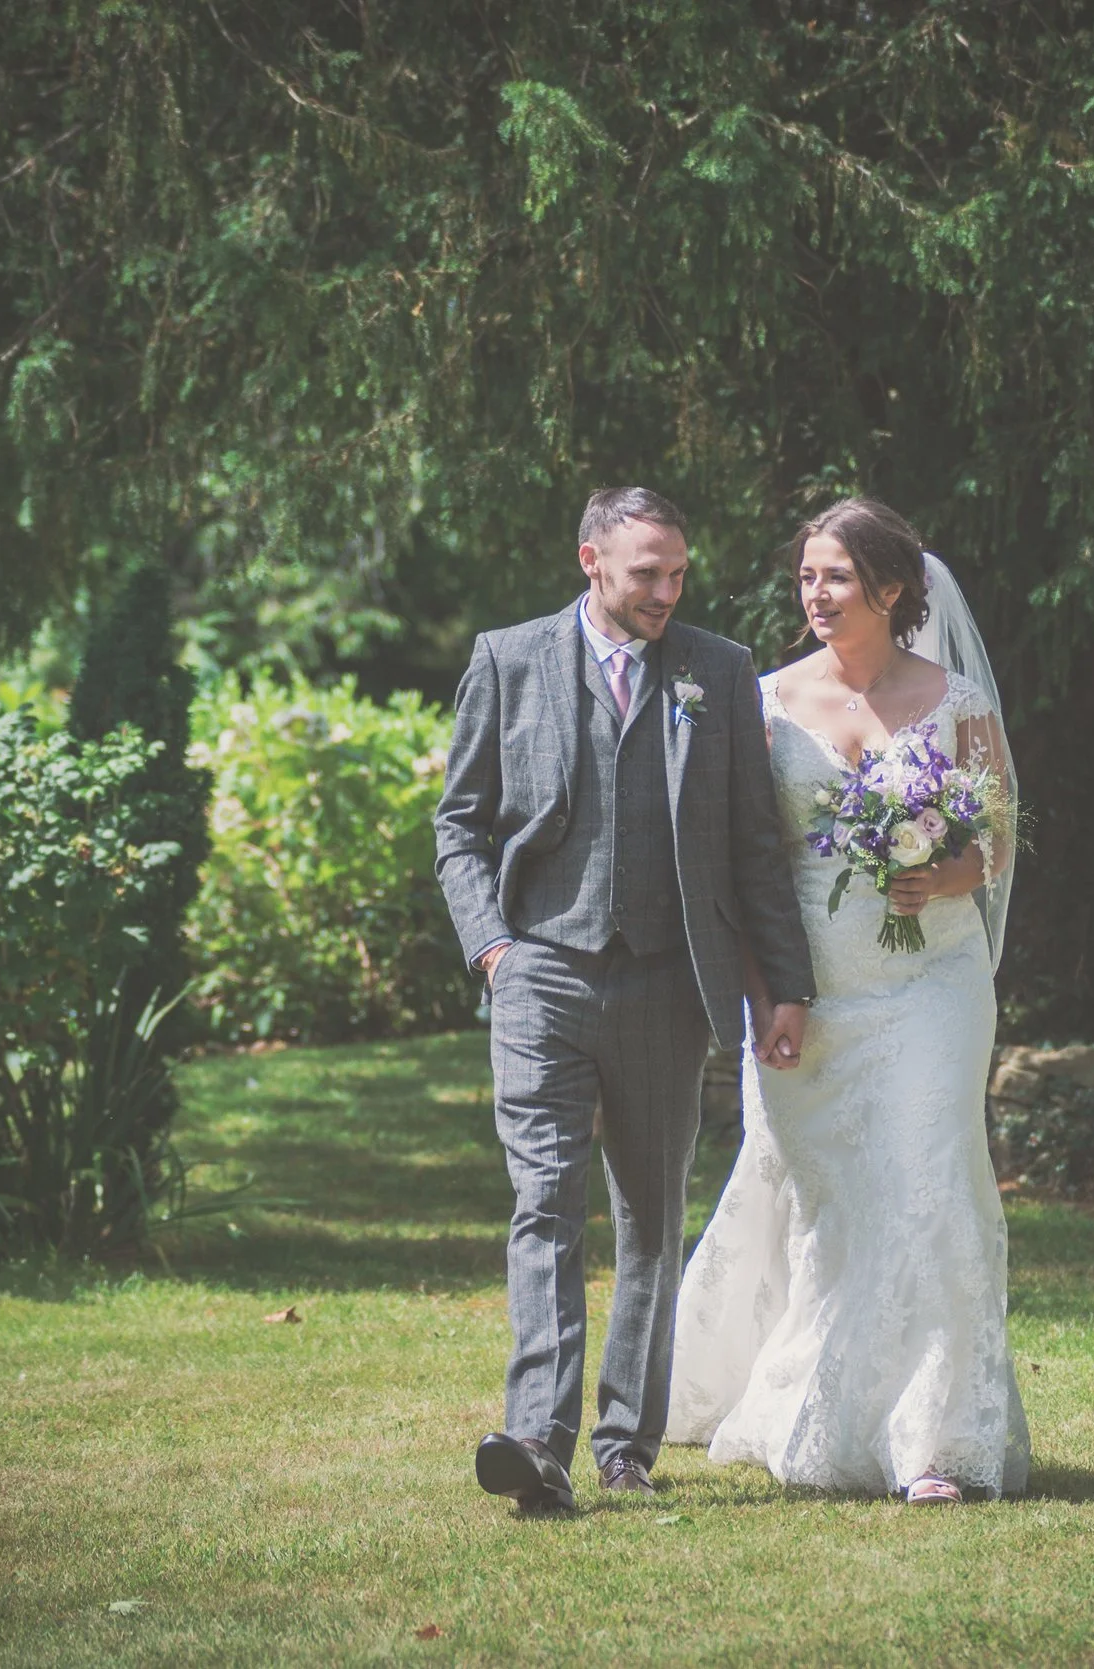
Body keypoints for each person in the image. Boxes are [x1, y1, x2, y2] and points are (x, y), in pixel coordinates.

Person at [433, 486, 817, 1516]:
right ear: (590, 561)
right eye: (646, 572)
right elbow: (460, 824)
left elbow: (751, 847)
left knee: (648, 1219)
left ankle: (623, 1445)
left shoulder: (718, 670)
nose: (666, 590)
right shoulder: (508, 660)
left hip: (667, 981)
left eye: (678, 573)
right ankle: (537, 1439)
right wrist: (494, 951)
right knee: (544, 1206)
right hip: (540, 976)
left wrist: (785, 986)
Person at [670, 496, 1032, 1505]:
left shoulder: (954, 700)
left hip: (933, 981)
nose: (814, 593)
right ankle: (811, 1398)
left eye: (833, 576)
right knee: (829, 1208)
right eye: (806, 576)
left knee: (932, 1179)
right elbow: (749, 861)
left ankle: (933, 1441)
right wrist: (766, 991)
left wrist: (942, 872)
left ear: (890, 590)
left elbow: (996, 838)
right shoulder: (767, 698)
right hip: (812, 989)